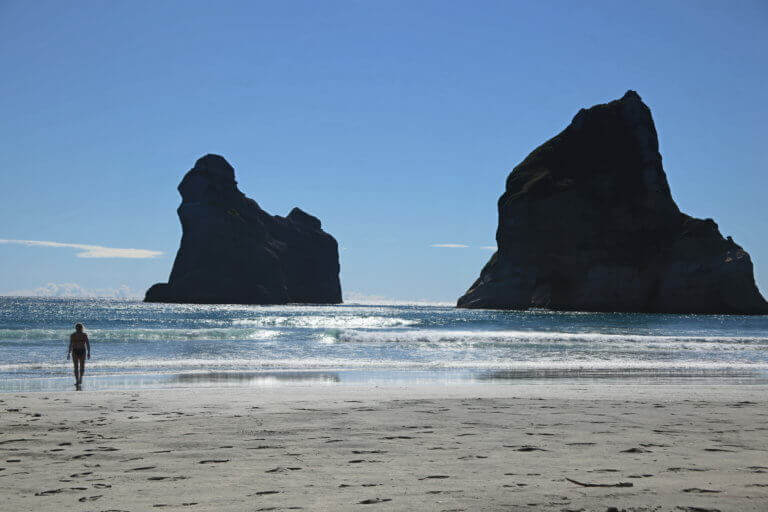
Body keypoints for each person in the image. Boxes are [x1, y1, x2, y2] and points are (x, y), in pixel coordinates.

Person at [67, 323, 91, 387]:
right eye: (77, 327)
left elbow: (87, 344)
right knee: (76, 366)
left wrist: (89, 352)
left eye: (79, 328)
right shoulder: (73, 335)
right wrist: (69, 353)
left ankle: (80, 378)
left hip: (82, 351)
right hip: (75, 351)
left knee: (82, 366)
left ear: (81, 328)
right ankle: (77, 380)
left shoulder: (84, 335)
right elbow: (71, 344)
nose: (78, 329)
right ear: (75, 328)